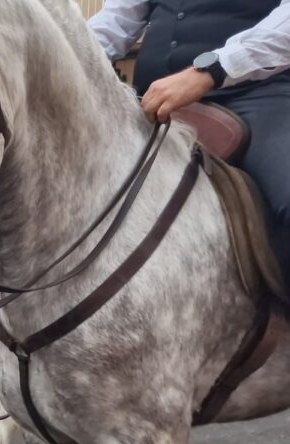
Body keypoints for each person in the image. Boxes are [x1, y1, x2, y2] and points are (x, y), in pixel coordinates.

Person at [90, 0, 290, 279]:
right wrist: (67, 55)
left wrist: (214, 69)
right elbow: (115, 21)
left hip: (257, 96)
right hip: (153, 102)